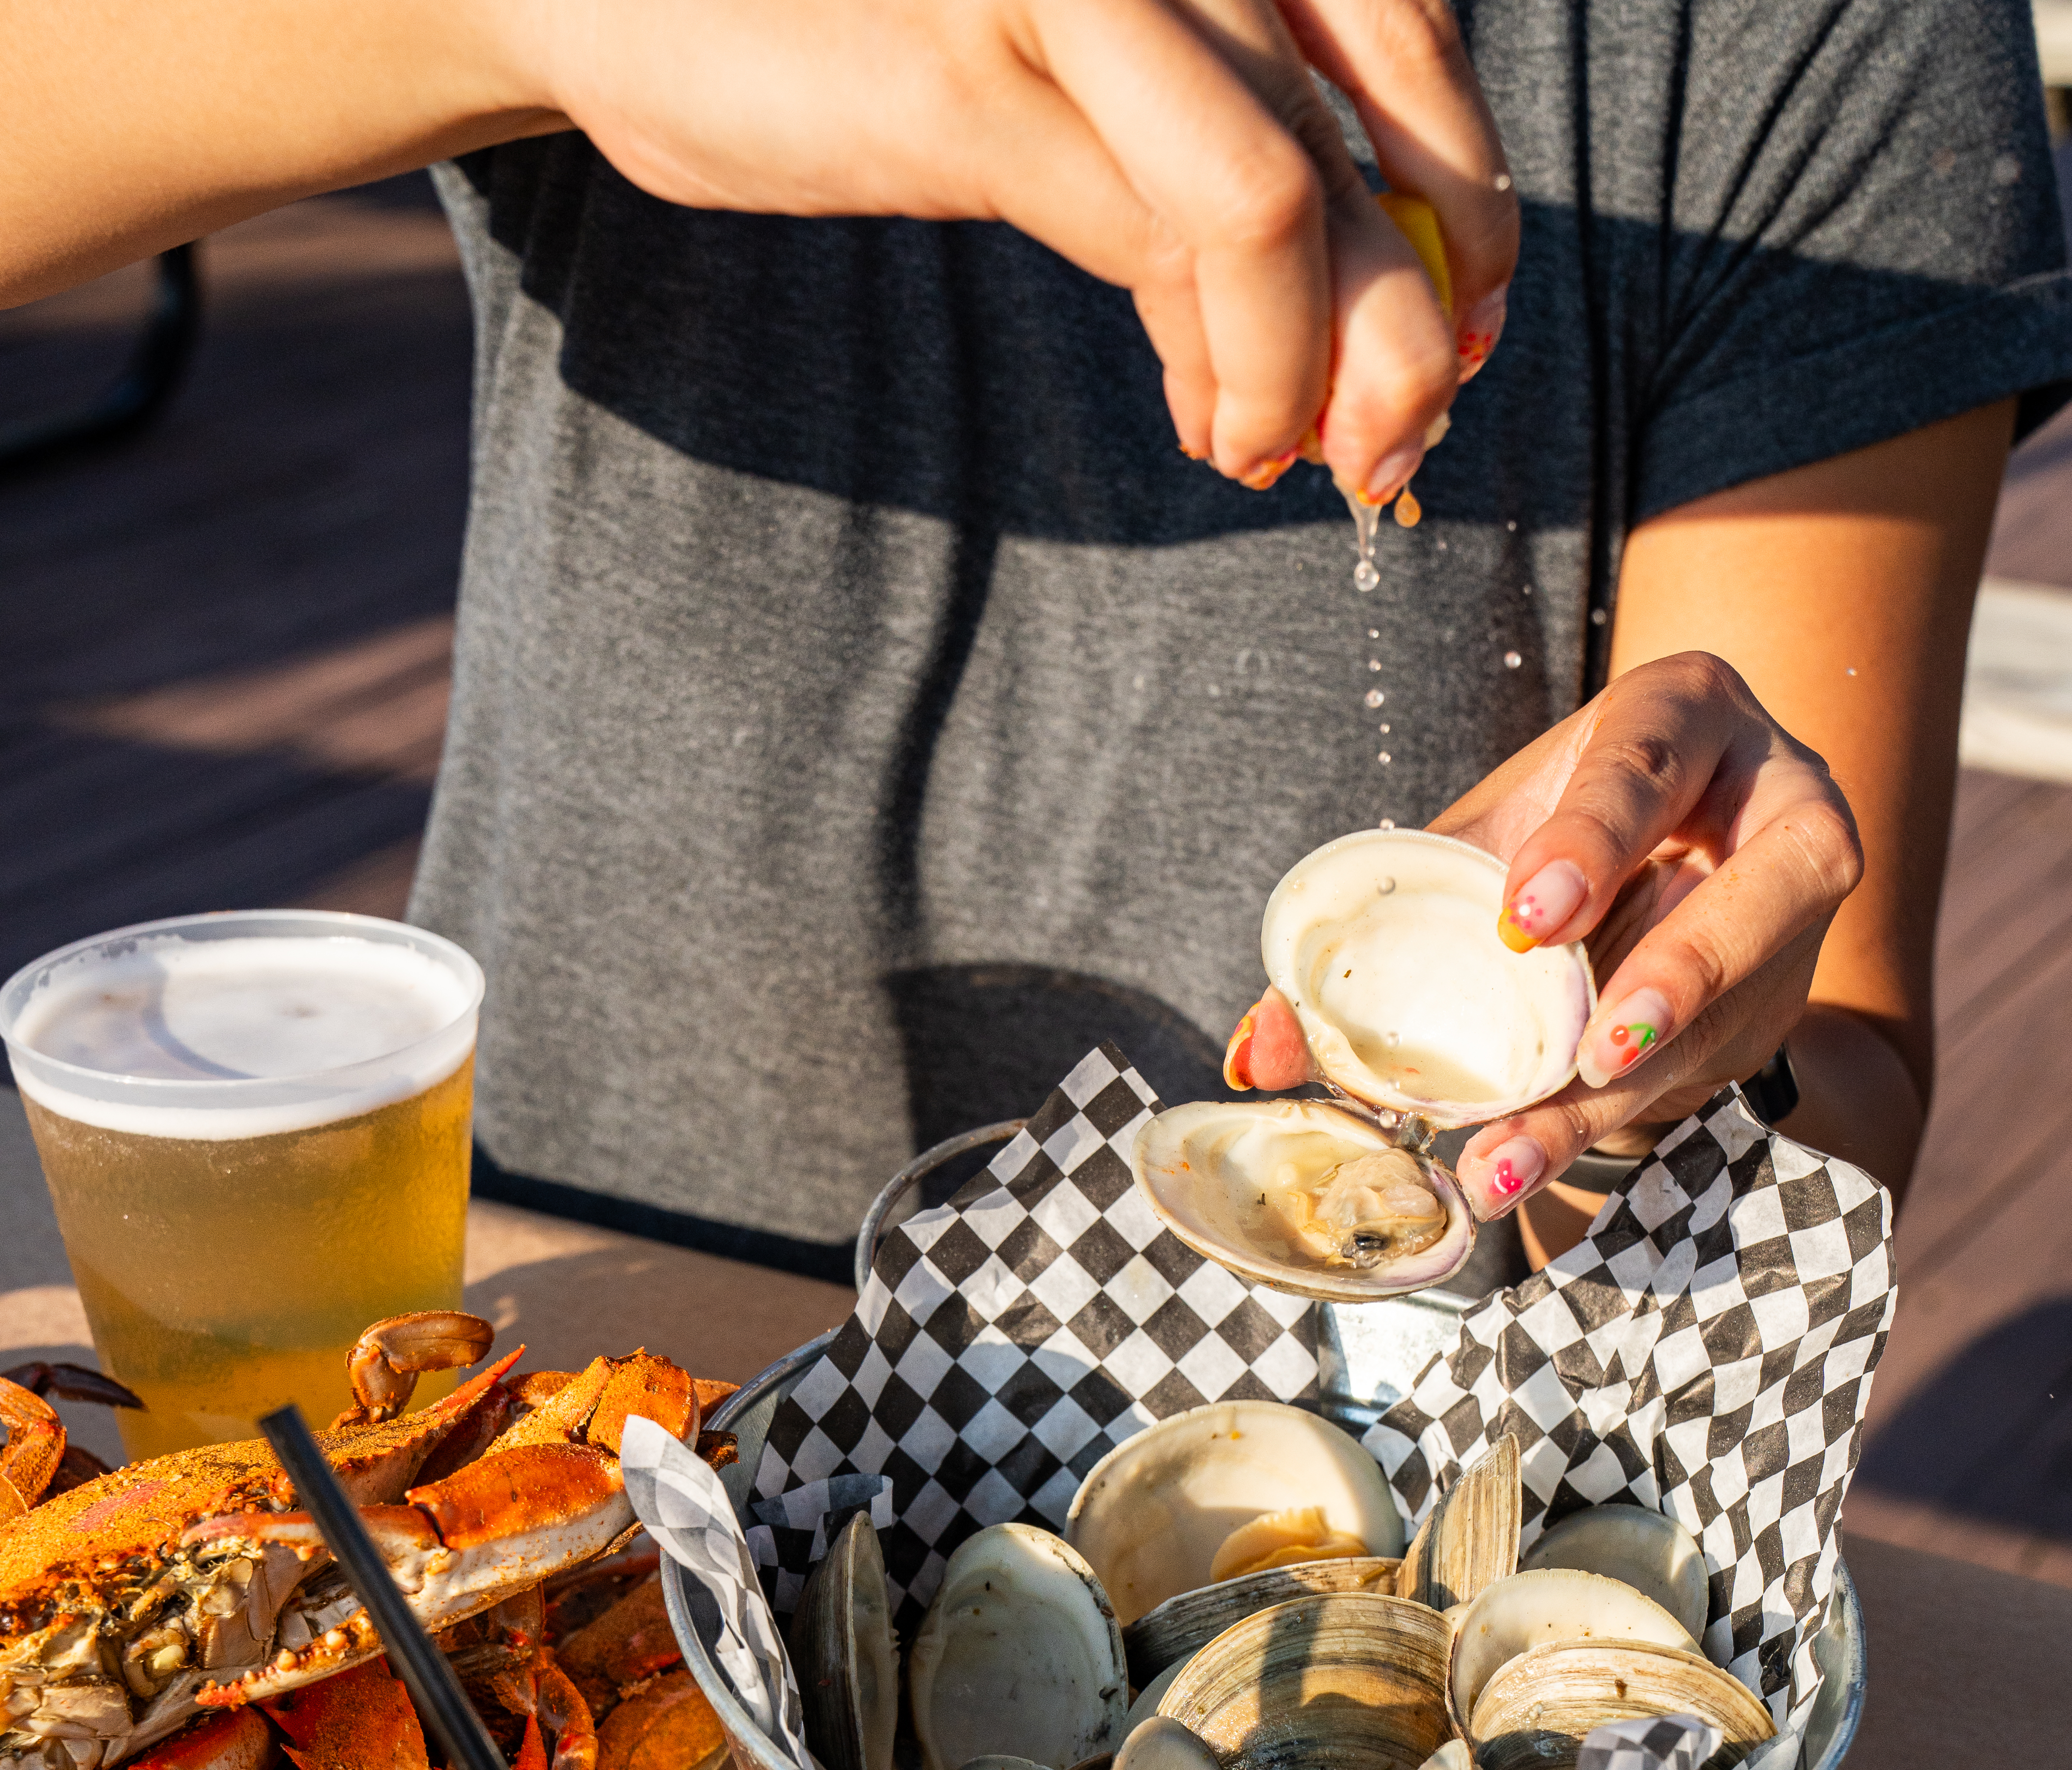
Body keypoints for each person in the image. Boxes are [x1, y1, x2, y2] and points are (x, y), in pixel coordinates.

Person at [10, 0, 2070, 1285]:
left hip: (1359, 1475)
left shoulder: (1817, 32)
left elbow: (1839, 1076)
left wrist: (1673, 1066)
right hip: (549, 1338)